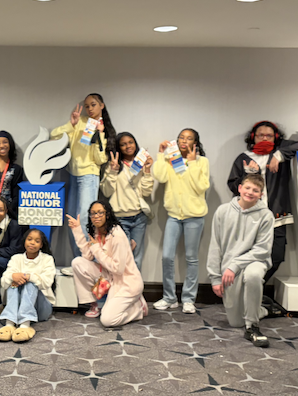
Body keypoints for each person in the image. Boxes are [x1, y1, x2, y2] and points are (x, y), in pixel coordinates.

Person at [227, 121, 298, 284]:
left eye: (269, 135)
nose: (265, 138)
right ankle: (242, 290)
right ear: (253, 137)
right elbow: (233, 185)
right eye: (261, 135)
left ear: (275, 138)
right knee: (246, 256)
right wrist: (248, 175)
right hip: (250, 217)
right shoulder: (244, 158)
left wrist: (279, 155)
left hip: (276, 214)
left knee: (276, 256)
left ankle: (253, 288)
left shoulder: (281, 154)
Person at [207, 174, 274, 348]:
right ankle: (263, 308)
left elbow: (262, 250)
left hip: (255, 261)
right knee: (235, 322)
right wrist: (215, 278)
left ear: (261, 194)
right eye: (248, 188)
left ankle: (253, 326)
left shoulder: (266, 215)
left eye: (256, 190)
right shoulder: (222, 211)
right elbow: (215, 245)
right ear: (240, 188)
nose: (250, 192)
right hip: (229, 266)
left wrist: (235, 265)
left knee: (253, 275)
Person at [152, 128, 210, 314]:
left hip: (195, 216)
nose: (184, 141)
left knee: (191, 258)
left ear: (195, 142)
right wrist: (161, 154)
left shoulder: (202, 162)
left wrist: (192, 164)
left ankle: (188, 299)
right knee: (167, 256)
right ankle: (169, 297)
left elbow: (201, 187)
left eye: (189, 138)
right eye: (181, 138)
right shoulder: (171, 160)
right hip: (174, 216)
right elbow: (159, 177)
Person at [51, 93, 116, 257]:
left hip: (89, 176)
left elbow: (100, 160)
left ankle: (87, 260)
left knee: (87, 218)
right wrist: (70, 125)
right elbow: (54, 136)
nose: (89, 108)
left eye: (93, 104)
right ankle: (78, 262)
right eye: (87, 106)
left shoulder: (103, 128)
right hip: (73, 175)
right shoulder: (80, 122)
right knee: (73, 220)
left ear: (102, 105)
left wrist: (100, 134)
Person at [68, 200, 146, 328]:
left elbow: (118, 269)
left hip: (126, 283)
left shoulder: (117, 235)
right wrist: (77, 230)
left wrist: (96, 249)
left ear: (107, 214)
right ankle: (94, 305)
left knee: (107, 320)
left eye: (100, 212)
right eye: (93, 213)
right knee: (78, 263)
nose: (96, 216)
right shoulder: (96, 230)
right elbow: (88, 256)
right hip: (109, 277)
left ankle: (137, 309)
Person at [99, 132, 154, 271]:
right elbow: (106, 192)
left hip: (139, 218)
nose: (128, 146)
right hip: (119, 219)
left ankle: (135, 291)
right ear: (118, 147)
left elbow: (146, 192)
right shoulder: (113, 165)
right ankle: (122, 289)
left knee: (136, 257)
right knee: (122, 257)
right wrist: (112, 171)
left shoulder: (140, 164)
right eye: (123, 144)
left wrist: (147, 171)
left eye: (130, 142)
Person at [0, 229, 56, 343]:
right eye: (29, 239)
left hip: (41, 309)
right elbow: (3, 281)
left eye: (37, 241)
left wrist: (29, 277)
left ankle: (25, 325)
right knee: (13, 282)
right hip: (16, 307)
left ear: (41, 245)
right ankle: (9, 324)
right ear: (24, 241)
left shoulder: (47, 259)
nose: (32, 243)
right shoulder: (16, 258)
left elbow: (47, 282)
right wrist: (13, 276)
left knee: (31, 283)